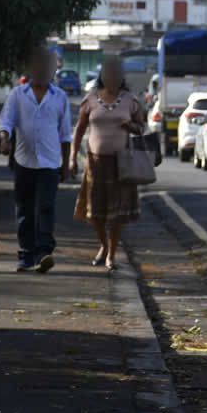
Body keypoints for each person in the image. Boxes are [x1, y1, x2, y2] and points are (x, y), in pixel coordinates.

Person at [0, 46, 72, 272]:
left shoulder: (60, 97)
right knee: (25, 210)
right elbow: (6, 122)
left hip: (50, 162)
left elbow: (65, 133)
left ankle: (44, 253)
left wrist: (67, 163)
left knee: (46, 207)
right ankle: (26, 254)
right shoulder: (17, 95)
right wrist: (4, 139)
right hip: (24, 160)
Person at [70, 57, 146, 271]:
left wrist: (130, 125)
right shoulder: (91, 99)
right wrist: (72, 156)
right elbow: (79, 129)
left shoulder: (130, 100)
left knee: (117, 214)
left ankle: (111, 255)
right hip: (94, 164)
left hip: (121, 164)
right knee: (94, 214)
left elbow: (142, 129)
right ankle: (103, 245)